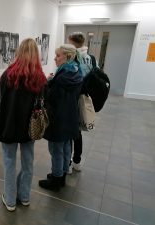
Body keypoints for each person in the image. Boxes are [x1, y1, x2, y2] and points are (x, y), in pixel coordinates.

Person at [0, 38, 46, 211]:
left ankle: (9, 200)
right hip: (29, 129)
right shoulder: (40, 78)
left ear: (19, 52)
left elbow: (0, 94)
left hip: (8, 125)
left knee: (9, 162)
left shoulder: (8, 74)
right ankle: (24, 197)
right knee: (28, 162)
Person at [38, 44, 83, 191]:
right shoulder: (77, 72)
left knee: (56, 149)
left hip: (58, 118)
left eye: (58, 56)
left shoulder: (61, 77)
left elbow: (51, 97)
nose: (55, 58)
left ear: (68, 57)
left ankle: (56, 180)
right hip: (70, 117)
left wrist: (47, 82)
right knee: (66, 147)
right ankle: (62, 175)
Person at [67, 32, 97, 173]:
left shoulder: (73, 57)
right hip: (84, 97)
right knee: (78, 132)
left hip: (72, 99)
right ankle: (77, 162)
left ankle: (67, 162)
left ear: (73, 43)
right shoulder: (91, 58)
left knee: (69, 132)